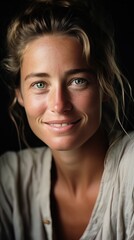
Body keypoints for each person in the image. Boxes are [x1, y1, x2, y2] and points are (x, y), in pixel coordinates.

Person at [0, 0, 134, 239]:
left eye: (77, 81)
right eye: (40, 84)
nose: (59, 105)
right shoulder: (10, 179)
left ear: (103, 85)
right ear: (19, 95)